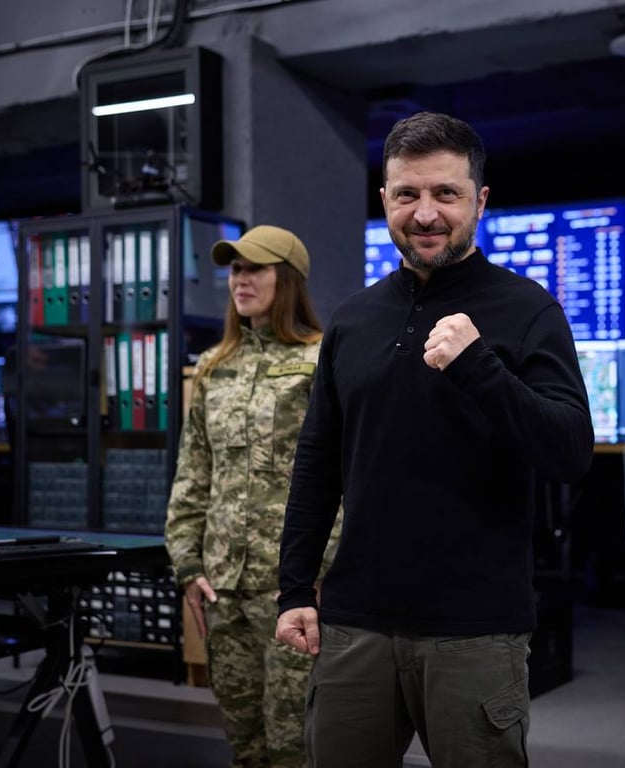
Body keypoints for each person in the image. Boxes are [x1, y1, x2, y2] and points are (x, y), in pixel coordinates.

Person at [275, 110, 595, 767]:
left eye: (445, 194)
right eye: (407, 195)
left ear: (479, 201)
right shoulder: (354, 319)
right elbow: (318, 464)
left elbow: (569, 451)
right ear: (385, 200)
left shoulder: (527, 310)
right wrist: (294, 589)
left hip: (473, 630)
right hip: (355, 621)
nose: (425, 214)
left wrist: (480, 367)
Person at [165, 224, 338, 768]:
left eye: (254, 268)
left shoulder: (320, 361)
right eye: (235, 269)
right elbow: (194, 469)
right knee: (244, 740)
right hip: (222, 585)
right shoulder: (216, 365)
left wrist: (322, 569)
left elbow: (345, 477)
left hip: (290, 586)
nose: (240, 280)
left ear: (286, 279)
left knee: (295, 742)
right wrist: (188, 564)